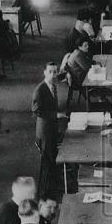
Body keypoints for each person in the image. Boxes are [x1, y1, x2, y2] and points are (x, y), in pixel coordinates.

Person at [32, 62, 65, 196]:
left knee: (52, 159)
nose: (53, 75)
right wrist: (55, 115)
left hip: (52, 128)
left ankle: (52, 188)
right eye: (50, 72)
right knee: (47, 162)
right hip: (44, 131)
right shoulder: (40, 89)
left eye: (55, 72)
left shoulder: (53, 87)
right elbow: (36, 111)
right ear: (44, 72)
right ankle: (44, 192)